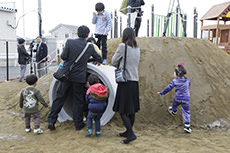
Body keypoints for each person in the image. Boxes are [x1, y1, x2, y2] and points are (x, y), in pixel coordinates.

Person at [47, 25, 103, 131]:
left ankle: (51, 120)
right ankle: (78, 124)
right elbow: (99, 58)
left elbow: (63, 56)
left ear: (77, 34)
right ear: (87, 35)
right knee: (78, 100)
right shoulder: (89, 47)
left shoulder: (69, 42)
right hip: (79, 78)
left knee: (59, 98)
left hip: (66, 75)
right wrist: (89, 59)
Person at [111, 27, 140, 144]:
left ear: (124, 36)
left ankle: (131, 134)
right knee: (131, 110)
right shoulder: (137, 49)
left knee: (122, 110)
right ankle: (128, 131)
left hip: (125, 81)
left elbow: (113, 61)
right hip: (135, 81)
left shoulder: (122, 47)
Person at [157, 63, 192, 133]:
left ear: (178, 74)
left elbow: (168, 88)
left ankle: (174, 111)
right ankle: (187, 126)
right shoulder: (187, 80)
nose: (173, 74)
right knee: (186, 112)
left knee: (174, 103)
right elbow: (189, 84)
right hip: (186, 99)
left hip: (178, 98)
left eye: (174, 73)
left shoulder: (175, 81)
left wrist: (162, 93)